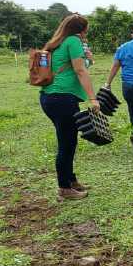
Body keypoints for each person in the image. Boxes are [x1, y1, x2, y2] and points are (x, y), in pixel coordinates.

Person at [38, 14, 100, 200]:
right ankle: (64, 188)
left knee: (68, 141)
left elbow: (75, 65)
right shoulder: (73, 41)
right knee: (66, 143)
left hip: (49, 98)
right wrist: (93, 99)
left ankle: (71, 180)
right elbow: (80, 71)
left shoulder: (56, 42)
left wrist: (88, 59)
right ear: (82, 29)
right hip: (62, 99)